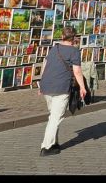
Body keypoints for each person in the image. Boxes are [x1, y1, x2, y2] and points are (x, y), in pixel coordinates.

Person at [38, 26, 87, 156]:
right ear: (74, 38)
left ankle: (54, 143)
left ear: (62, 37)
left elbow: (45, 66)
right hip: (61, 87)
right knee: (55, 118)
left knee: (53, 115)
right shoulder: (74, 51)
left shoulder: (55, 48)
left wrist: (41, 85)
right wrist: (82, 87)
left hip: (47, 86)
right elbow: (77, 71)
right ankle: (46, 147)